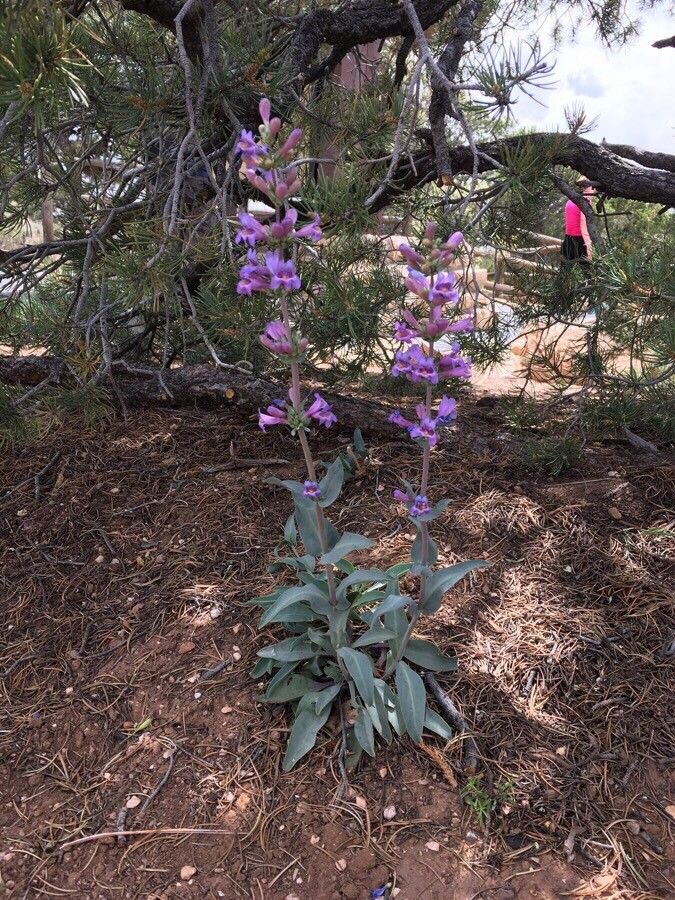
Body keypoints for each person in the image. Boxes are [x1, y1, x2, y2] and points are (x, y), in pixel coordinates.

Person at [561, 178, 595, 265]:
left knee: (564, 274)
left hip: (568, 240)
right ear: (589, 188)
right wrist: (588, 247)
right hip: (580, 241)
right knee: (589, 274)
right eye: (593, 188)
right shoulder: (585, 202)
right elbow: (584, 226)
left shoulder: (570, 201)